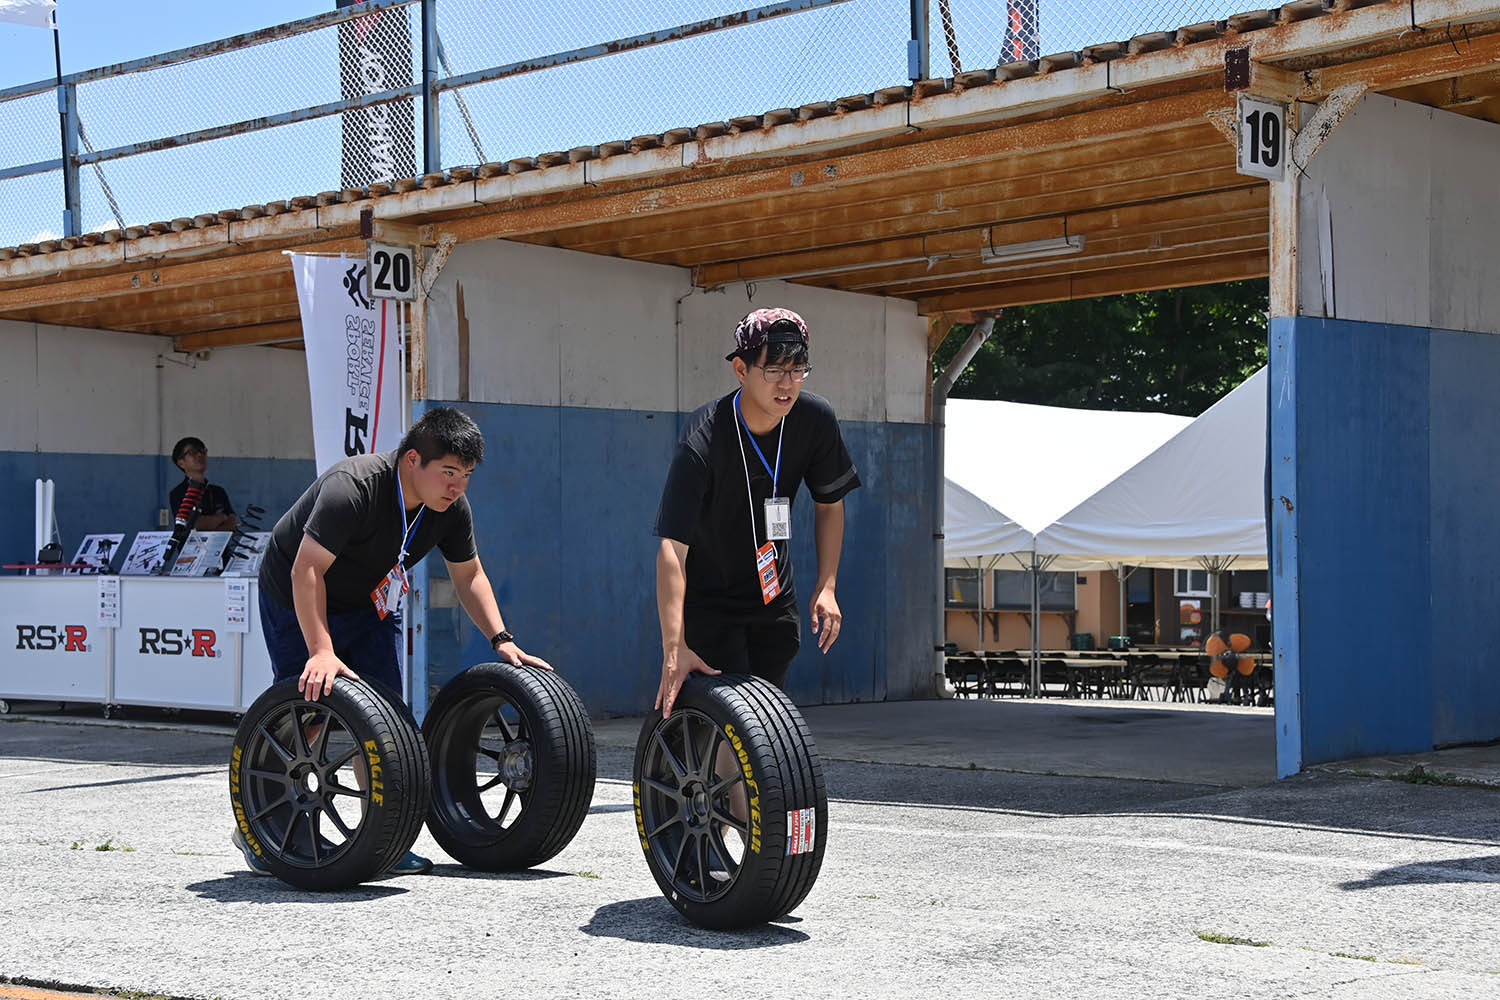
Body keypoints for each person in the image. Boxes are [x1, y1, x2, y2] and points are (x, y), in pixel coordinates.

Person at [238, 406, 549, 877]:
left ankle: (387, 836)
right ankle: (261, 826)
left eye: (465, 475)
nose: (457, 486)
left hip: (366, 605)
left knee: (386, 720)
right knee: (306, 717)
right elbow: (307, 570)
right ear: (411, 462)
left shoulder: (450, 510)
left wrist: (502, 640)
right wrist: (322, 649)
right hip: (295, 593)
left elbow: (469, 576)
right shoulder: (354, 487)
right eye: (447, 473)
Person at [652, 307, 860, 718]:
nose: (787, 384)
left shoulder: (815, 420)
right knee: (735, 719)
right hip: (711, 601)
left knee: (767, 721)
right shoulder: (703, 438)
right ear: (740, 369)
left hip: (774, 596)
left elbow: (830, 504)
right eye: (774, 371)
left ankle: (750, 783)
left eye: (797, 370)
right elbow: (672, 549)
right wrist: (673, 647)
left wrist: (828, 585)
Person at [168, 436, 237, 532]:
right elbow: (195, 524)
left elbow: (232, 524)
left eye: (203, 451)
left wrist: (210, 524)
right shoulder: (178, 493)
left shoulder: (218, 491)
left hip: (221, 546)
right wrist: (221, 517)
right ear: (181, 463)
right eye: (192, 453)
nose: (200, 455)